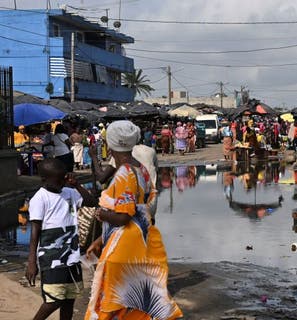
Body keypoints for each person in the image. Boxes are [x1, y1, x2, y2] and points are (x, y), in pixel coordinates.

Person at [84, 120, 182, 319]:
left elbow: (123, 217)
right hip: (138, 242)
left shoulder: (124, 173)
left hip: (123, 249)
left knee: (113, 302)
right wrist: (100, 240)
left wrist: (101, 214)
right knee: (134, 302)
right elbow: (139, 214)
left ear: (111, 144)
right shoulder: (141, 170)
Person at [26, 159, 96, 320]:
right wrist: (32, 262)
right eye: (58, 180)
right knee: (54, 300)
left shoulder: (70, 192)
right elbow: (35, 231)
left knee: (69, 299)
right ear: (44, 179)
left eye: (63, 178)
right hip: (52, 258)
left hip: (71, 257)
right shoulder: (40, 198)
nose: (62, 182)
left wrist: (77, 185)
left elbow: (92, 203)